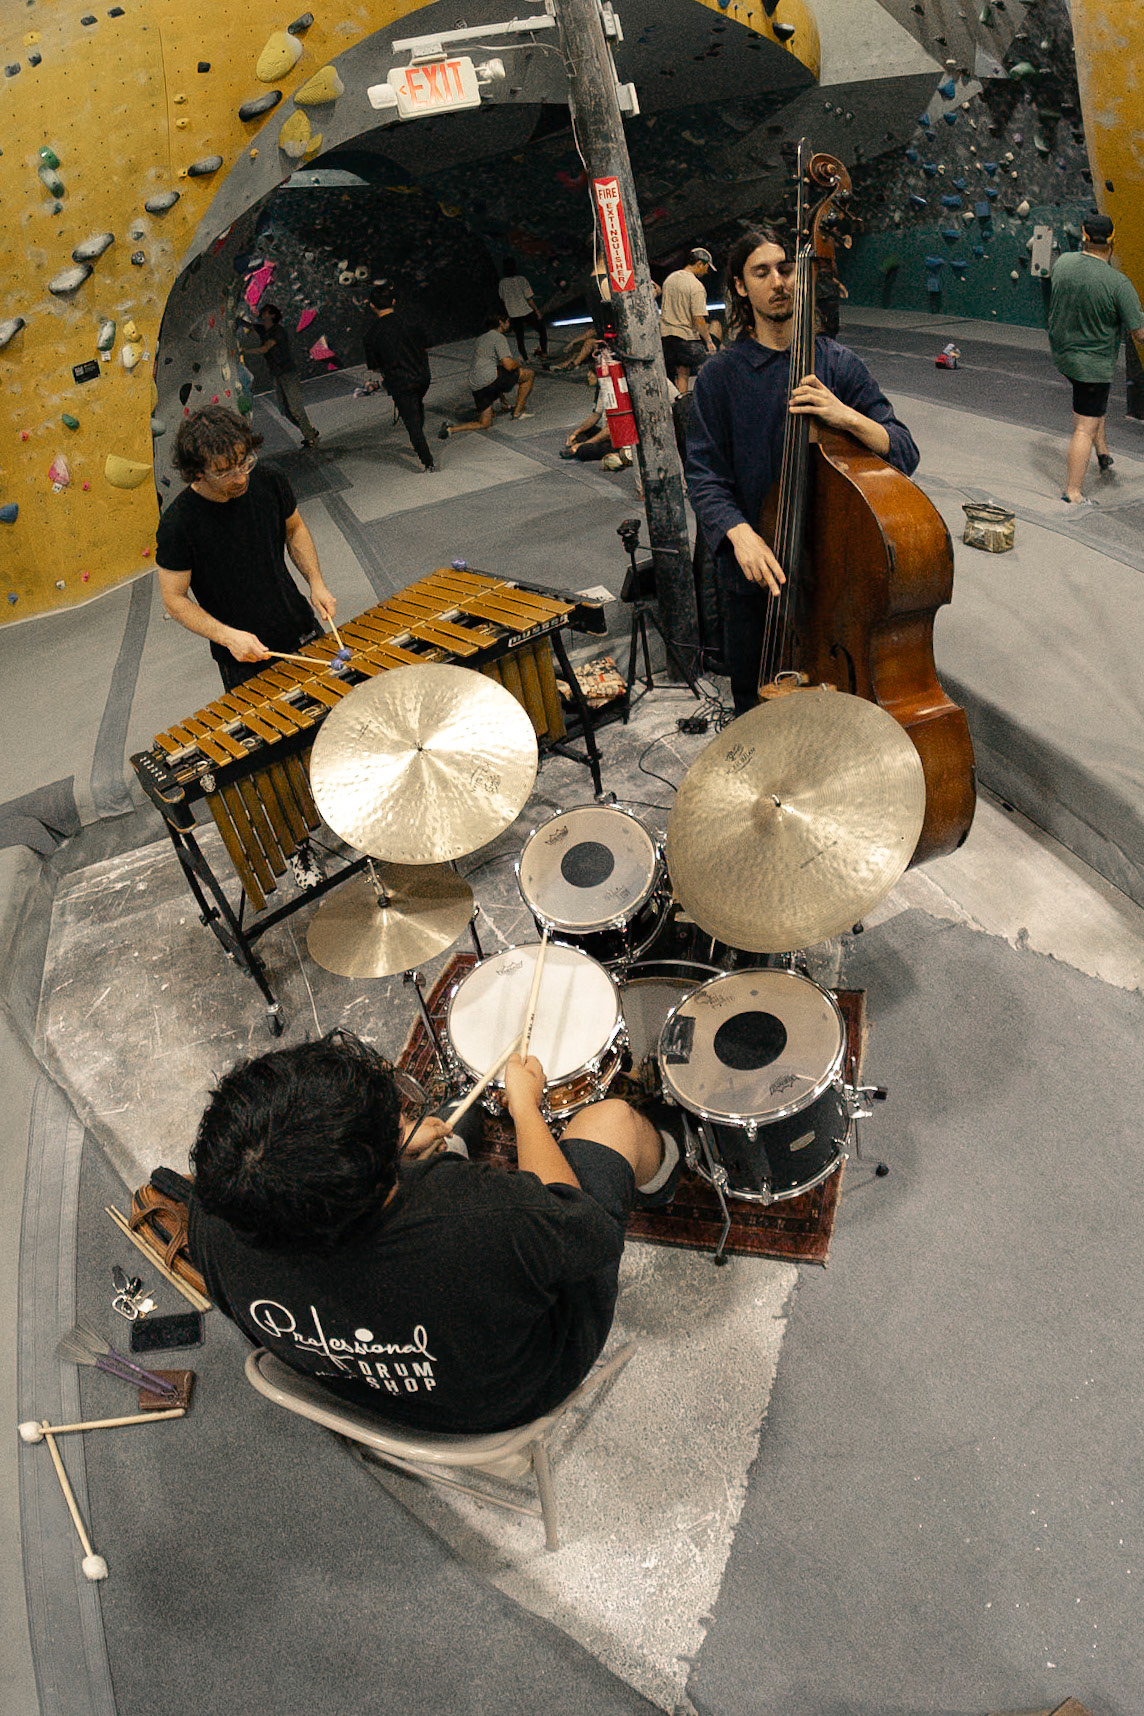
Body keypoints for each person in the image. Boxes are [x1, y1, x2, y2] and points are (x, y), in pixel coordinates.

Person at [186, 1031, 683, 1434]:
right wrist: (526, 1109)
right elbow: (585, 1235)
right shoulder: (478, 1215)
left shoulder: (214, 1218)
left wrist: (387, 1150)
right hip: (511, 1392)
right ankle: (664, 1170)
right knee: (612, 1119)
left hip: (361, 1395)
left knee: (449, 1124)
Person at [686, 228, 920, 716]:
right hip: (757, 577)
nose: (778, 282)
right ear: (740, 287)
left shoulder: (837, 364)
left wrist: (845, 415)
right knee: (756, 709)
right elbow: (705, 474)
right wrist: (738, 533)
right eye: (761, 272)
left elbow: (903, 451)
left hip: (836, 581)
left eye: (786, 269)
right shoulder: (720, 376)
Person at [1047, 212, 1144, 504]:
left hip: (1063, 355)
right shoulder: (1118, 284)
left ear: (1084, 236)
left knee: (1093, 406)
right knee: (1084, 427)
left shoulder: (1063, 263)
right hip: (1092, 367)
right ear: (1112, 240)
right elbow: (1139, 333)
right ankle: (1073, 492)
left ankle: (1102, 453)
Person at [361, 283, 435, 472]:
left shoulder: (371, 335)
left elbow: (375, 366)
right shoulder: (411, 322)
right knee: (417, 406)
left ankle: (427, 461)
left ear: (372, 305)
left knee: (411, 422)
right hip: (422, 376)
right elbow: (427, 344)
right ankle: (419, 443)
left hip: (400, 382)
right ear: (394, 301)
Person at [438, 311, 534, 439]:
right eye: (507, 321)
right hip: (490, 381)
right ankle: (518, 412)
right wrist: (518, 362)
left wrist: (501, 397)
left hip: (477, 386)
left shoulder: (481, 338)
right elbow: (508, 365)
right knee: (528, 375)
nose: (509, 324)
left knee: (484, 423)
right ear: (501, 322)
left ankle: (451, 429)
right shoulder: (498, 337)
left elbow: (491, 369)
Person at [241, 304, 320, 448]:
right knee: (285, 411)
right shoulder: (263, 329)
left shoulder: (277, 331)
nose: (262, 313)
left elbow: (265, 348)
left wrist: (243, 351)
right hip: (278, 374)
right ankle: (309, 431)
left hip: (288, 372)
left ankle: (310, 438)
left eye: (265, 312)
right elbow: (249, 325)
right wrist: (237, 320)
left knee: (295, 408)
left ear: (272, 315)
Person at [660, 248, 717, 394]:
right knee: (708, 366)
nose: (706, 272)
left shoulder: (670, 279)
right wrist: (709, 341)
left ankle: (681, 401)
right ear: (699, 263)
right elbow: (698, 318)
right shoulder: (696, 286)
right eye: (706, 267)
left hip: (666, 337)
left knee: (681, 374)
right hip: (686, 338)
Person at [498, 259, 549, 364]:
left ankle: (526, 358)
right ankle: (544, 353)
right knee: (541, 330)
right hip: (526, 311)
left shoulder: (502, 283)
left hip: (513, 313)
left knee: (520, 337)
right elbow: (529, 298)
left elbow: (502, 298)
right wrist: (537, 311)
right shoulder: (521, 279)